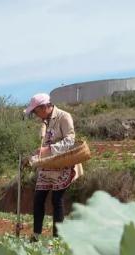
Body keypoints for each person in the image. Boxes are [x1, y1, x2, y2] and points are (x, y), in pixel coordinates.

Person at [24, 93, 82, 241]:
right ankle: (36, 235)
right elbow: (43, 146)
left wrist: (48, 150)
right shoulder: (45, 122)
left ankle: (57, 238)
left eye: (36, 111)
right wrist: (32, 157)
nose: (36, 115)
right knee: (38, 199)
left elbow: (70, 141)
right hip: (48, 166)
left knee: (57, 199)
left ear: (44, 107)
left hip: (63, 164)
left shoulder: (64, 117)